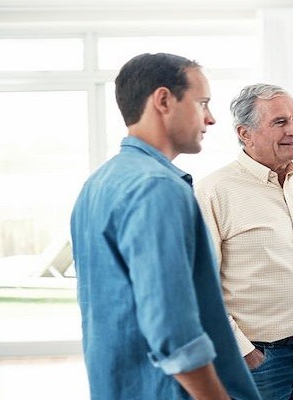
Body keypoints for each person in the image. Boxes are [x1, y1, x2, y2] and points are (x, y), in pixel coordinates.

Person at [70, 53, 261, 400]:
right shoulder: (156, 187)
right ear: (163, 100)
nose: (211, 118)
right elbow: (174, 332)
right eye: (202, 103)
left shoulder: (98, 183)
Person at [194, 83, 293, 400]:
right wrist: (241, 350)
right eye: (280, 122)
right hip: (256, 359)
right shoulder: (213, 191)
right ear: (245, 133)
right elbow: (201, 285)